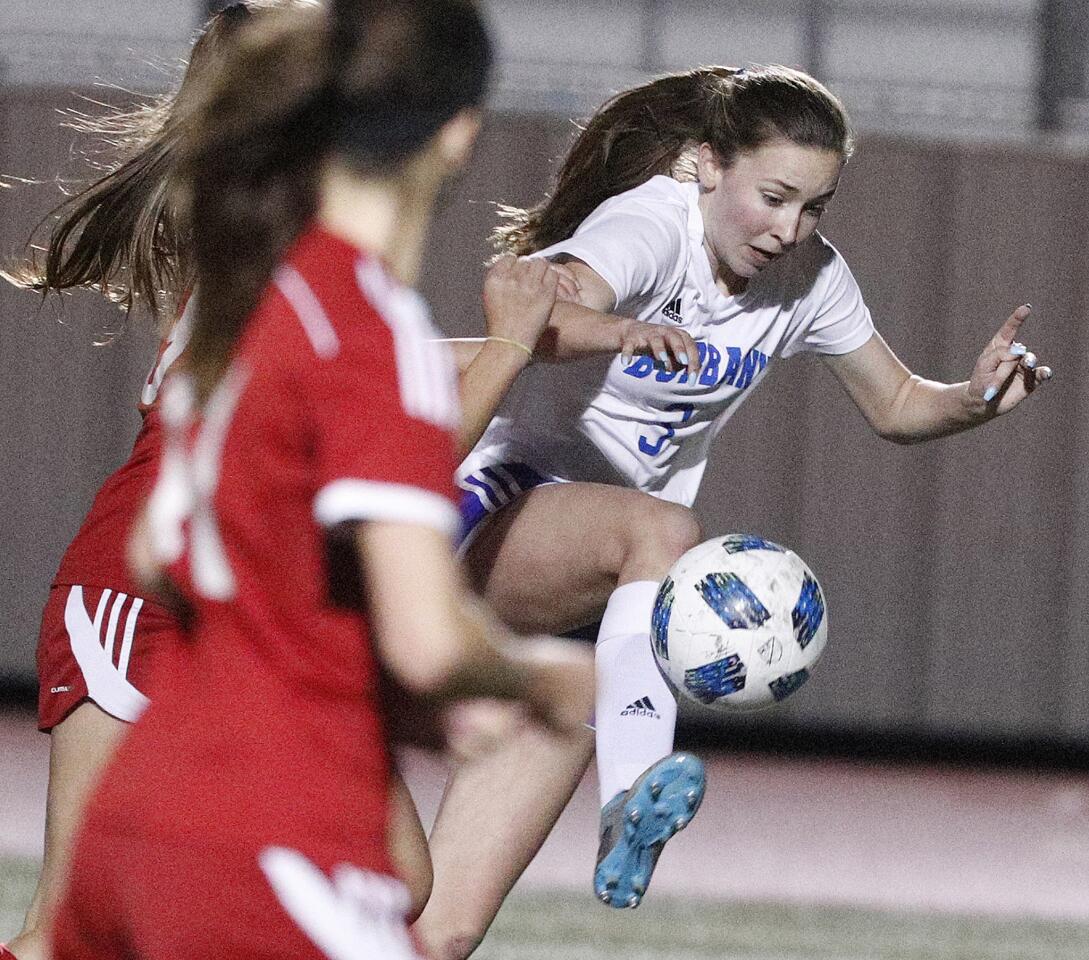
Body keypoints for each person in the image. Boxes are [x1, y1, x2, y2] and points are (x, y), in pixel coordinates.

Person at [411, 64, 1051, 955]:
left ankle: (626, 797)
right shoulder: (648, 224)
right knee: (662, 532)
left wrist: (974, 399)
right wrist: (620, 329)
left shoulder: (809, 279)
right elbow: (533, 316)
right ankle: (634, 790)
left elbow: (897, 404)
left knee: (436, 933)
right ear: (707, 165)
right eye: (774, 197)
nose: (789, 229)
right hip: (486, 517)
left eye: (814, 207)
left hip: (590, 605)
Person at [2, 3, 566, 958]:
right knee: (77, 930)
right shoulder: (333, 308)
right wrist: (547, 675)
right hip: (160, 629)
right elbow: (397, 472)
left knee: (391, 879)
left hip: (182, 612)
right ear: (456, 132)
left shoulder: (275, 283)